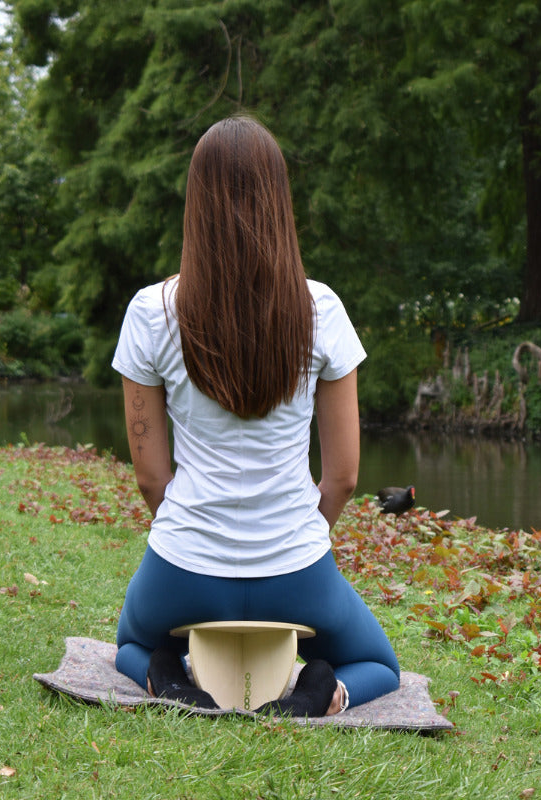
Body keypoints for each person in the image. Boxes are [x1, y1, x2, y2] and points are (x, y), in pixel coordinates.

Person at [111, 116, 399, 716]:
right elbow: (343, 476)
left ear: (196, 201)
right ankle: (324, 694)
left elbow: (149, 478)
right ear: (279, 198)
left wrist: (197, 543)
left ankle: (167, 681)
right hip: (298, 568)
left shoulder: (150, 312)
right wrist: (295, 539)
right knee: (379, 665)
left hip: (181, 567)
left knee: (130, 644)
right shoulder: (321, 309)